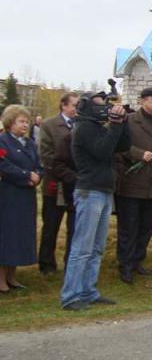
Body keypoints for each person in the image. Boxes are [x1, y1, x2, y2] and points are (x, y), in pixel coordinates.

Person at [60, 92, 130, 310]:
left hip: (103, 190)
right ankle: (71, 295)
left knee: (97, 247)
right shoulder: (83, 128)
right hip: (89, 191)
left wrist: (123, 121)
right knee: (82, 247)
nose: (104, 109)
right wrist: (115, 125)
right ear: (86, 107)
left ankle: (88, 290)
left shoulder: (99, 127)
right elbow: (102, 151)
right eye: (99, 105)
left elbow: (123, 145)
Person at [115, 87, 152, 284]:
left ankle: (138, 260)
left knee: (146, 227)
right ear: (142, 101)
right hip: (132, 184)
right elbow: (119, 147)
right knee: (129, 227)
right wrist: (139, 154)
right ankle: (125, 265)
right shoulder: (130, 121)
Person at [0, 105, 42, 294]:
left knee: (21, 236)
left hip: (27, 196)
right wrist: (26, 175)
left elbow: (39, 165)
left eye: (27, 121)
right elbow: (3, 165)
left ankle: (12, 276)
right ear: (10, 122)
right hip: (9, 195)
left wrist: (38, 175)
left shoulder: (31, 144)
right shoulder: (2, 142)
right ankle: (1, 280)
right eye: (21, 121)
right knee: (7, 236)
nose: (25, 125)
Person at [37, 92, 79, 275]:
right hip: (56, 184)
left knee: (75, 226)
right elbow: (46, 155)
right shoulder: (49, 125)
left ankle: (71, 262)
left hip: (76, 185)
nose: (76, 109)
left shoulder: (81, 125)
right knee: (51, 226)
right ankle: (46, 264)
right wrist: (65, 173)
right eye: (74, 105)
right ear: (63, 105)